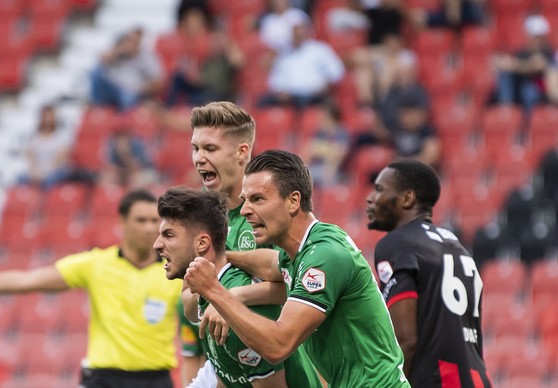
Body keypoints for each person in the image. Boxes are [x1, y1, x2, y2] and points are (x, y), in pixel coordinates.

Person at [185, 149, 410, 387]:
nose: (244, 211)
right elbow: (271, 263)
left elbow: (278, 345)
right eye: (245, 200)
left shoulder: (324, 255)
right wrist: (222, 257)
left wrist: (216, 292)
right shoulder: (299, 251)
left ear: (293, 201)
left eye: (258, 199)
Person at [0, 189, 183, 388]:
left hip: (156, 379)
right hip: (104, 377)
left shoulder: (175, 272)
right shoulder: (96, 264)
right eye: (141, 220)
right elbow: (27, 280)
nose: (148, 228)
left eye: (154, 221)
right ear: (122, 222)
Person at [154, 187, 322, 387]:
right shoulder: (209, 296)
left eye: (169, 235)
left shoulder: (237, 310)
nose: (157, 244)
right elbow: (228, 377)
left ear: (202, 243)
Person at [366, 160, 491, 387]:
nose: (370, 198)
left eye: (380, 189)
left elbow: (405, 340)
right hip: (476, 378)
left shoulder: (397, 243)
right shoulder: (456, 245)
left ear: (407, 198)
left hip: (438, 379)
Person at [257, 15, 345, 110]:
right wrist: (280, 92)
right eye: (294, 32)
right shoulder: (284, 54)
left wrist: (326, 85)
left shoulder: (320, 49)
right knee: (261, 103)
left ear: (306, 31)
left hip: (313, 95)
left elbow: (337, 71)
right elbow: (275, 80)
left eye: (300, 31)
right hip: (290, 97)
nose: (297, 34)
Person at [90, 27, 165, 111]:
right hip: (112, 87)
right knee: (95, 72)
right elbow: (101, 60)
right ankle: (97, 109)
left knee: (128, 97)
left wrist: (142, 88)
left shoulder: (147, 56)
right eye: (130, 40)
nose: (132, 44)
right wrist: (120, 51)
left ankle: (122, 119)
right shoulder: (119, 50)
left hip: (133, 92)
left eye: (135, 41)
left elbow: (159, 80)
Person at [493, 14, 555, 112]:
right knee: (505, 75)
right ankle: (506, 109)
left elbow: (536, 65)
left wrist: (515, 65)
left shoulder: (547, 52)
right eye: (533, 36)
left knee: (529, 91)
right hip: (519, 84)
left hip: (539, 87)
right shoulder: (522, 53)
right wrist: (512, 65)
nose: (535, 40)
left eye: (538, 36)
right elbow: (504, 63)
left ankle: (528, 123)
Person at [100, 124, 159, 188]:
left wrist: (124, 154)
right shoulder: (113, 144)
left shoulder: (137, 144)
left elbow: (136, 168)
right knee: (106, 178)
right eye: (119, 135)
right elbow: (110, 167)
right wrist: (121, 174)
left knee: (135, 180)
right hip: (123, 173)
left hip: (143, 172)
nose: (121, 138)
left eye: (124, 134)